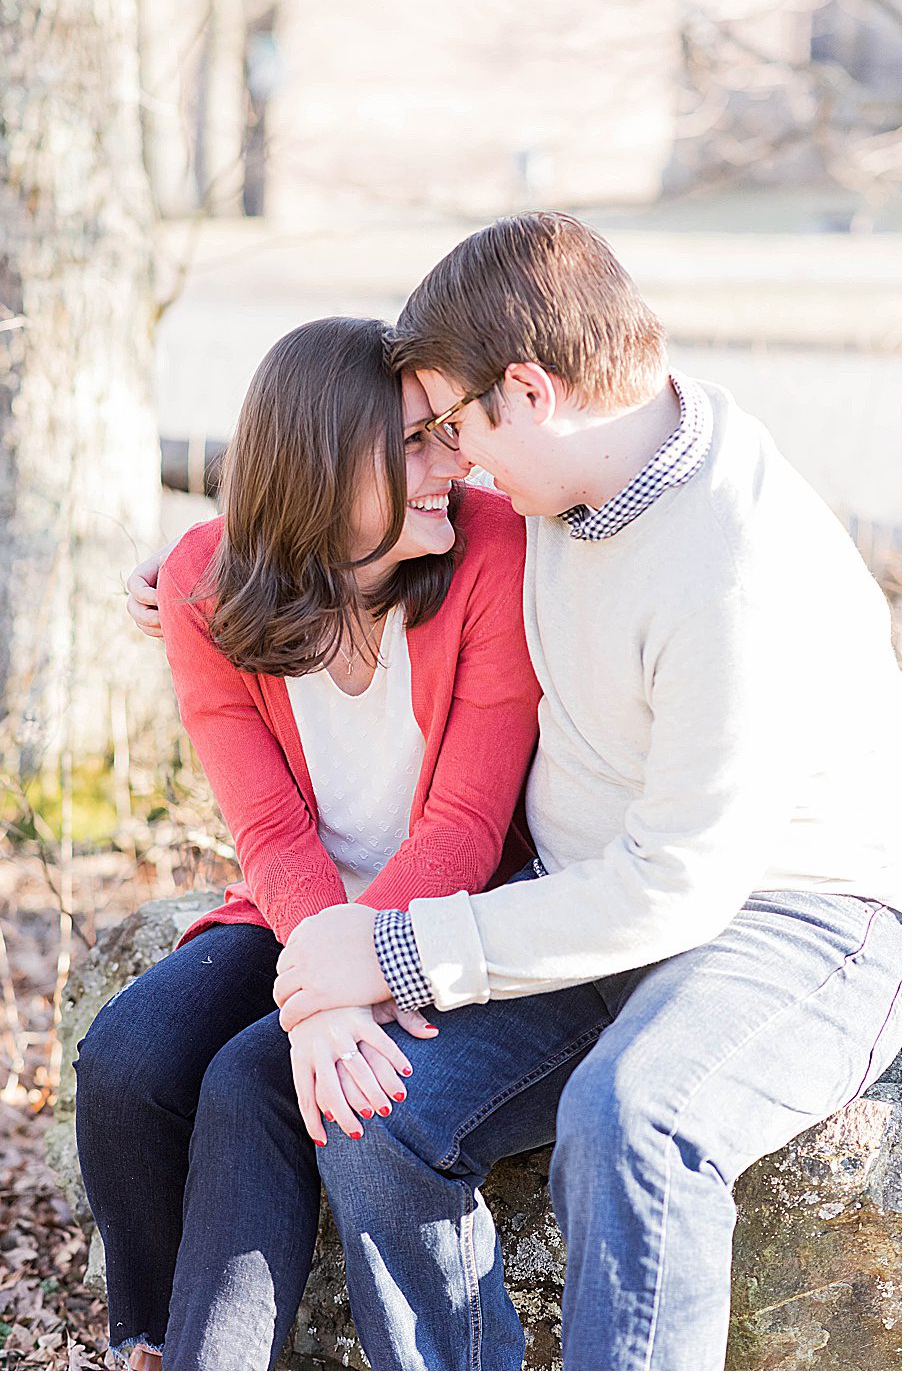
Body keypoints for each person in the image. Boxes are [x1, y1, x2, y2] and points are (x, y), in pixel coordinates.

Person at [128, 213, 901, 1369]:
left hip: (793, 919)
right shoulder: (565, 492)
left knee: (632, 1119)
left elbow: (679, 885)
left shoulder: (728, 565)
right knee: (376, 1109)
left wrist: (391, 954)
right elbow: (331, 503)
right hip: (588, 909)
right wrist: (193, 566)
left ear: (529, 391)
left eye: (454, 425)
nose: (453, 459)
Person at [78, 315, 541, 1368]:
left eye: (445, 433)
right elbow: (267, 827)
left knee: (258, 1072)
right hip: (296, 900)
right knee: (125, 1058)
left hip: (446, 910)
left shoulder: (492, 556)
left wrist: (339, 988)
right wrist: (320, 971)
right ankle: (149, 1340)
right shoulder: (203, 584)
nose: (452, 462)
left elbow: (465, 827)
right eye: (416, 444)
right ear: (326, 472)